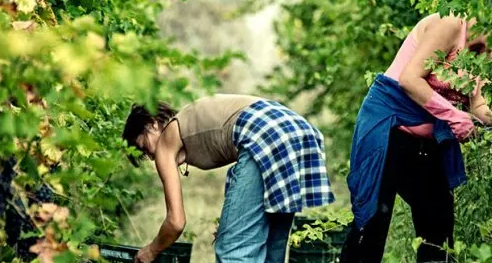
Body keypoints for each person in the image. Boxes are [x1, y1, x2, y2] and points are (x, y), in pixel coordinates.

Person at [341, 13, 492, 263]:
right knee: (371, 226)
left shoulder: (486, 52)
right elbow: (410, 79)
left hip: (428, 143)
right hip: (388, 131)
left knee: (438, 233)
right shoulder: (450, 24)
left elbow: (478, 103)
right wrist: (455, 116)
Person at [122, 94, 334, 263]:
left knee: (234, 250)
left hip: (265, 134)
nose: (150, 157)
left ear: (152, 124)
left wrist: (150, 251)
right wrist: (230, 220)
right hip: (294, 130)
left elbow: (176, 222)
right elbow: (240, 170)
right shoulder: (189, 122)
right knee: (271, 249)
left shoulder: (167, 139)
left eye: (144, 147)